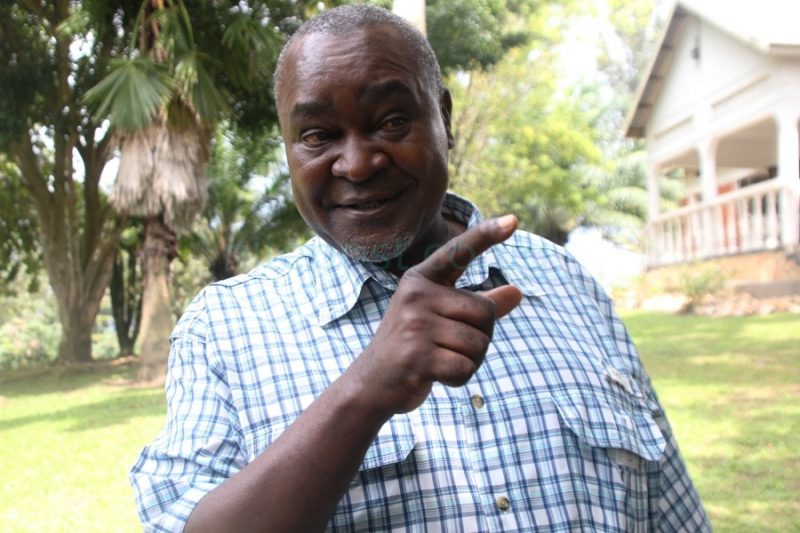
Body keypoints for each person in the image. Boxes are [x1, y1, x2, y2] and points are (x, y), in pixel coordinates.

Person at [131, 5, 711, 532]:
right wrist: (365, 391)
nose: (358, 164)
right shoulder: (223, 328)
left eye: (390, 122)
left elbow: (672, 515)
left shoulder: (564, 282)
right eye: (317, 136)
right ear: (289, 149)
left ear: (444, 119)